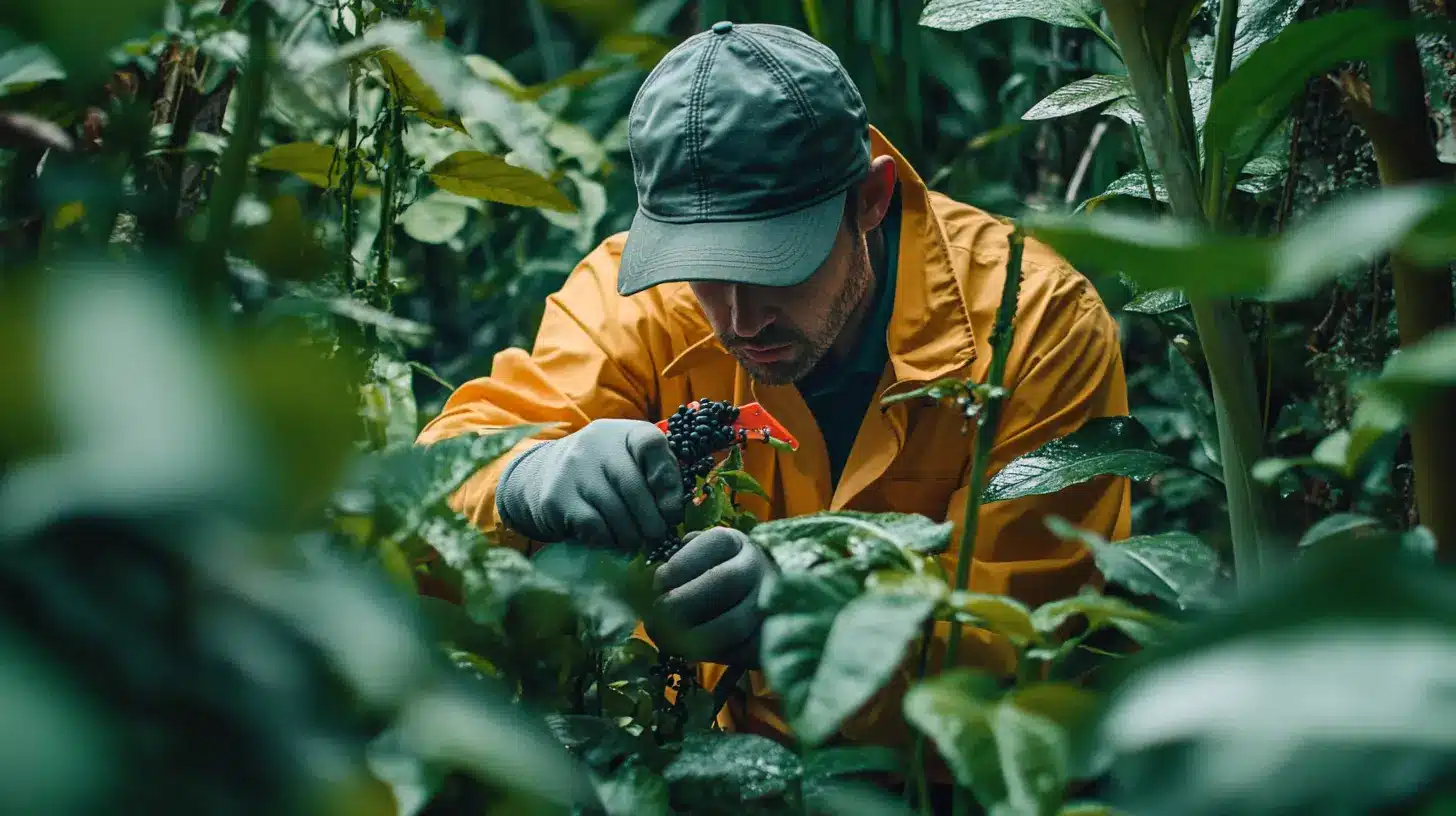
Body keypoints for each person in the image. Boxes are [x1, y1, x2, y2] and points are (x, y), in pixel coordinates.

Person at [416, 20, 1129, 767]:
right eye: (701, 266)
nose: (736, 317)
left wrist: (824, 618)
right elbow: (444, 479)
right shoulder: (636, 302)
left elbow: (1034, 648)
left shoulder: (1034, 326)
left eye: (774, 264)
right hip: (691, 768)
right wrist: (527, 478)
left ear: (872, 200)